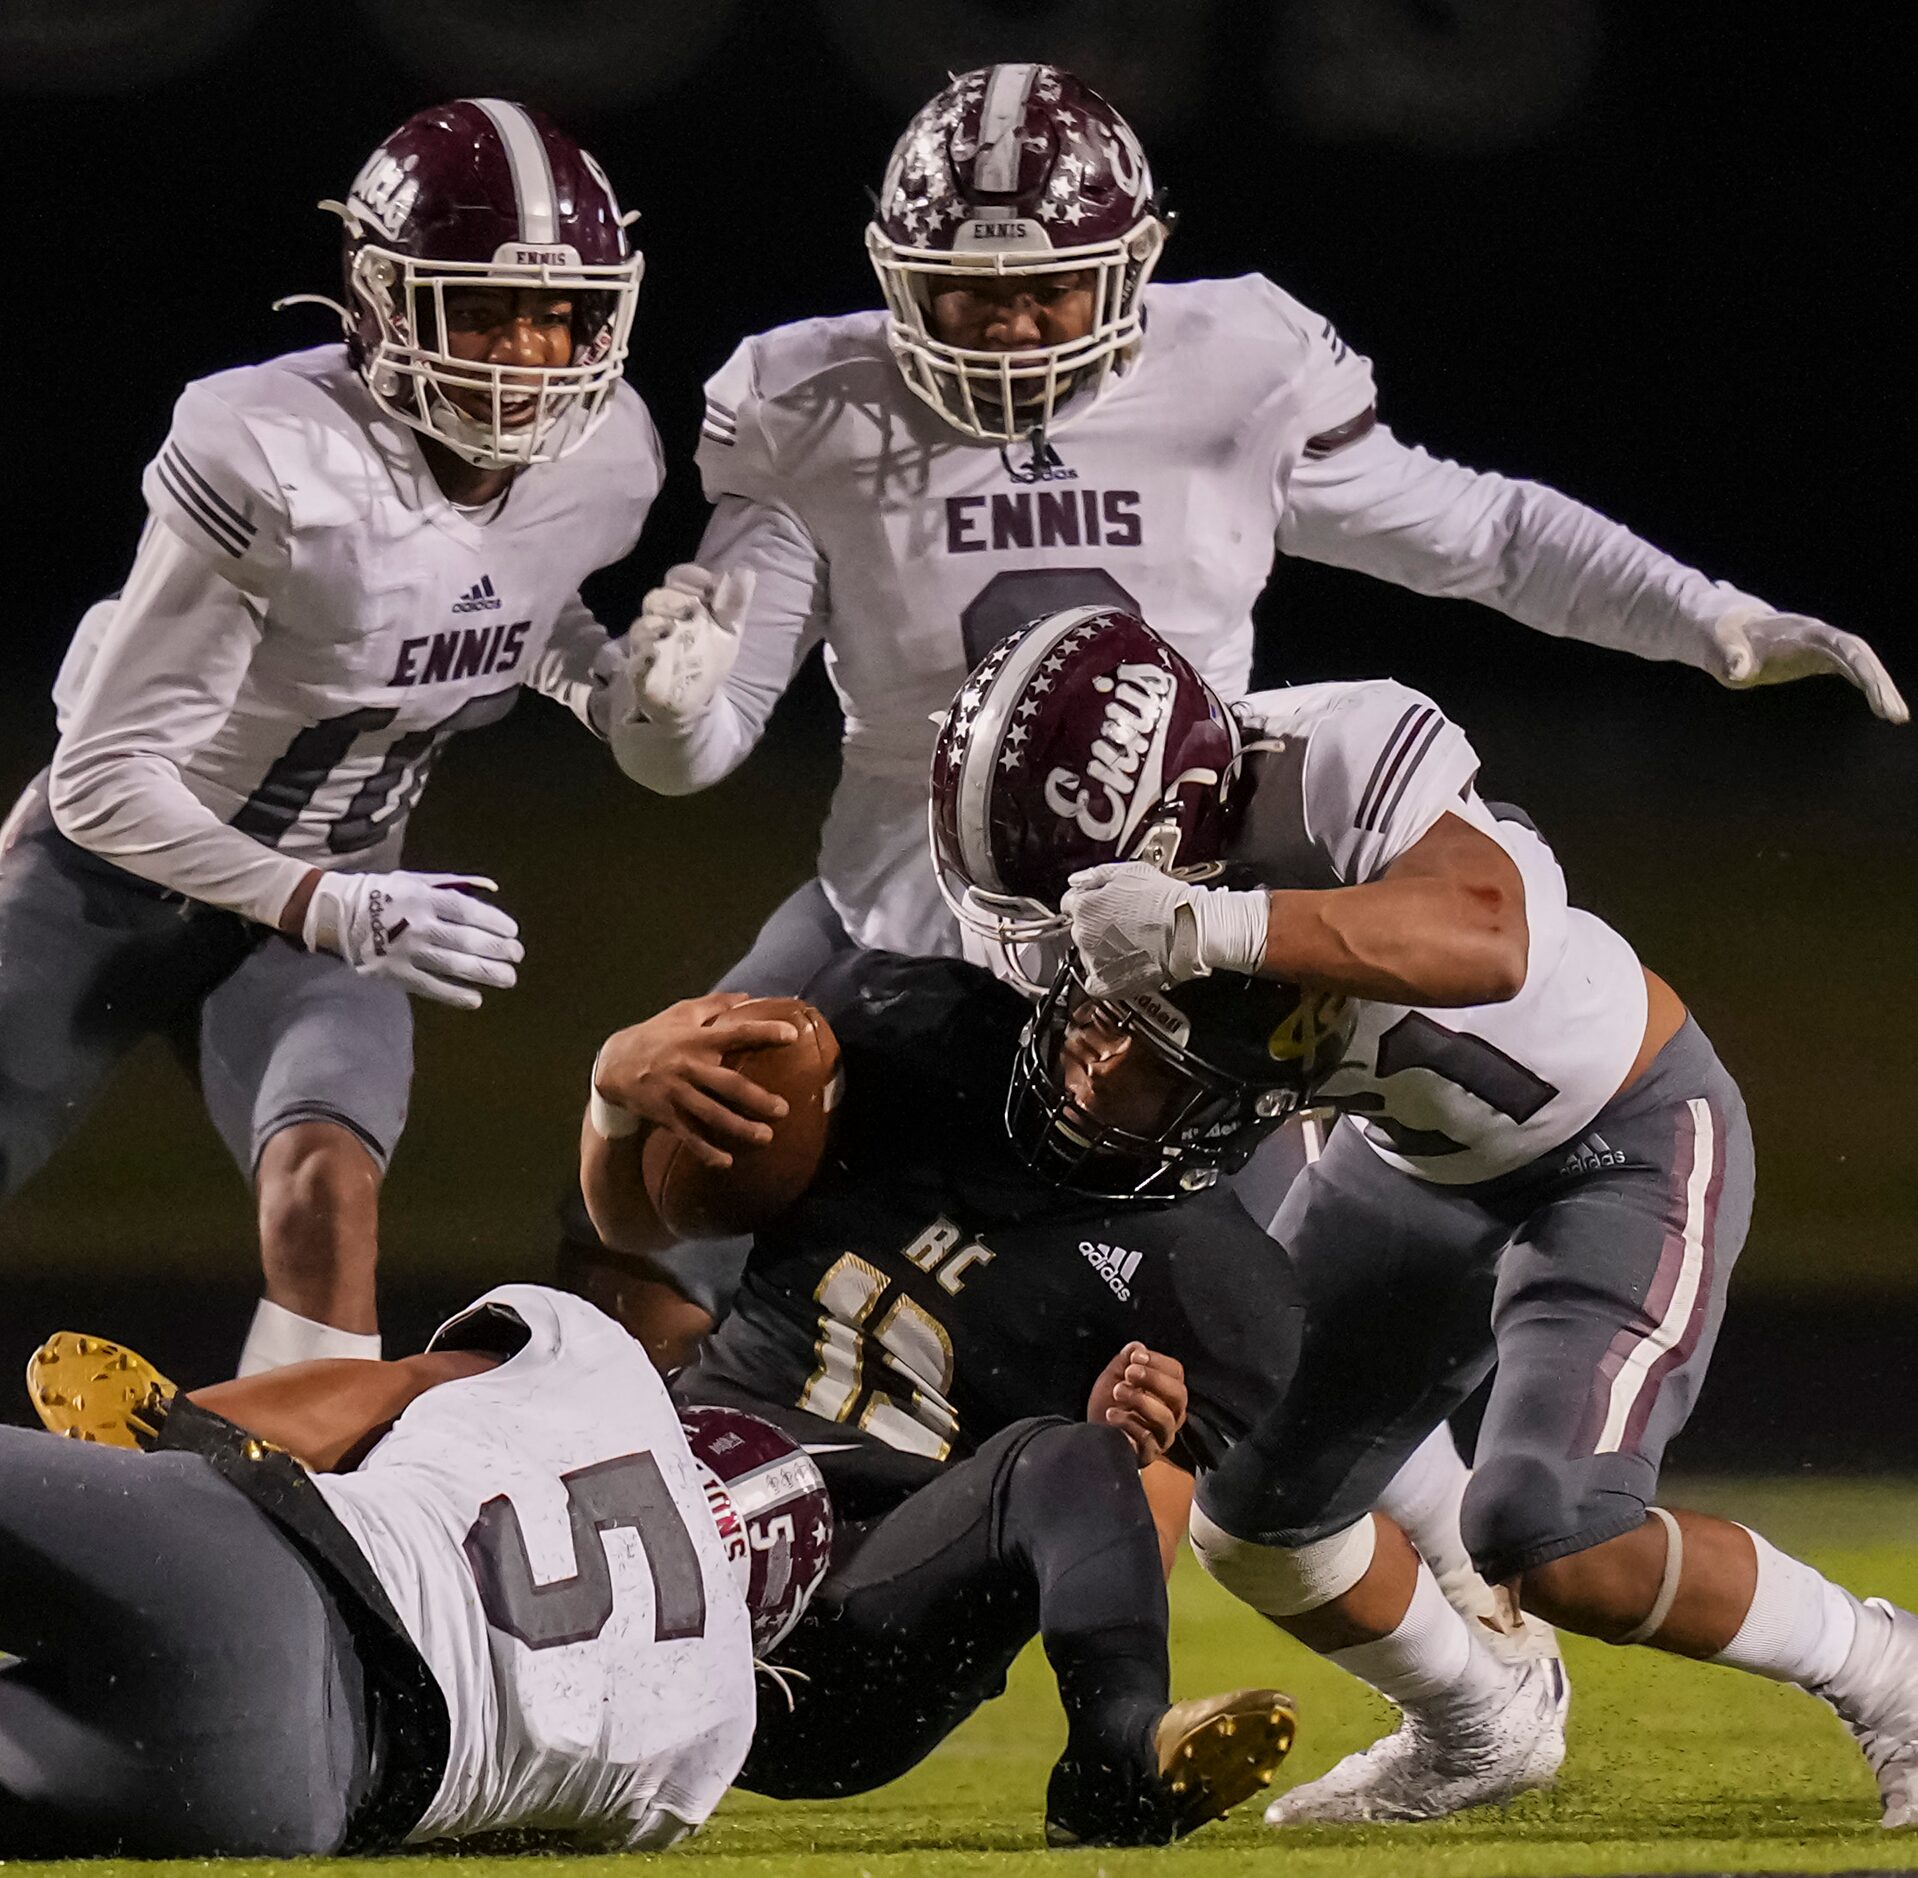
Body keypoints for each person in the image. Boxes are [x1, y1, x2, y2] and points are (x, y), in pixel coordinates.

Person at [589, 56, 1902, 1348]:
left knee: (1237, 1328)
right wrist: (658, 709)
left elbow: (1481, 536)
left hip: (1167, 947)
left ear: (1131, 266)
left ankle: (1406, 1549)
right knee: (656, 1194)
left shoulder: (1233, 371)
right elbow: (693, 751)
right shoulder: (810, 402)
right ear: (894, 276)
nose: (1005, 326)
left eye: (1045, 290)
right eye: (963, 293)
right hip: (895, 913)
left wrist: (1707, 618)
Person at [932, 605, 1918, 1829]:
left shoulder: (1335, 749)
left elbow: (1489, 935)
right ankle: (1479, 1728)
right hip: (1411, 1164)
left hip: (1619, 1131)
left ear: (1172, 824)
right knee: (1250, 1511)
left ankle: (1894, 1672)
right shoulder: (1156, 879)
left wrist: (1210, 928)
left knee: (1557, 1539)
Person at [573, 948, 1536, 1844]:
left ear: (1232, 1111)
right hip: (679, 1519)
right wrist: (618, 1090)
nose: (1101, 1066)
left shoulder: (1220, 1290)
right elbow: (634, 1223)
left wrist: (1120, 1444)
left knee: (1063, 1456)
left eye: (1157, 1064)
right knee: (525, 1346)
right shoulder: (911, 1028)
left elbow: (1117, 1542)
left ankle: (1116, 1761)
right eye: (1103, 1018)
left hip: (856, 1638)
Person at [0, 99, 657, 1376]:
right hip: (111, 881)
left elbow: (512, 611)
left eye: (556, 316)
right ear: (382, 305)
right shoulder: (271, 456)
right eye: (480, 313)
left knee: (328, 1192)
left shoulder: (605, 462)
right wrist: (328, 905)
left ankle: (290, 1533)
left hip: (343, 890)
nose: (523, 353)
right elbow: (101, 783)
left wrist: (626, 682)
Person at [0, 1283, 819, 1855]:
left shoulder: (607, 1370)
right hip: (286, 1799)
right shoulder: (714, 1737)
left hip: (272, 1576)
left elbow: (370, 1396)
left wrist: (186, 1429)